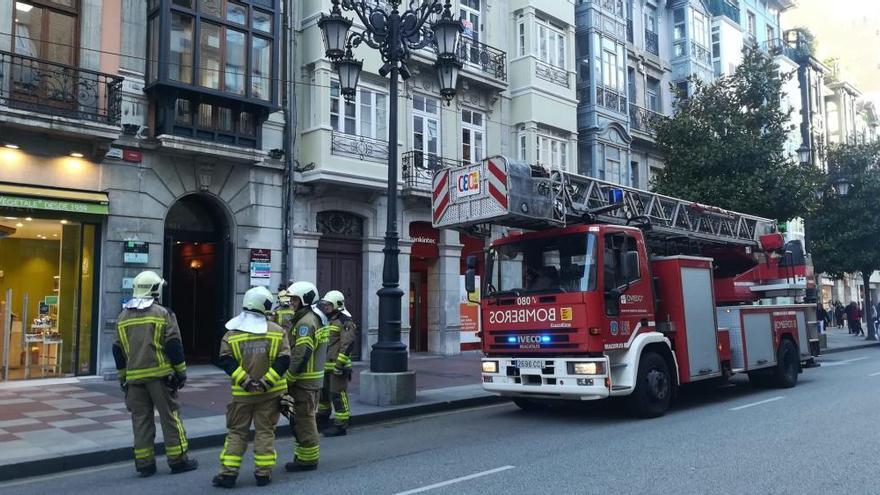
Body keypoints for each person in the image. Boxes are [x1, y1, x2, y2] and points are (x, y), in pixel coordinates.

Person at [112, 270, 198, 477]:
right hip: (161, 378)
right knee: (170, 418)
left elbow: (118, 350)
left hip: (134, 379)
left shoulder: (122, 317)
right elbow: (173, 345)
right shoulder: (163, 313)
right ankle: (178, 460)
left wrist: (123, 378)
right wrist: (181, 372)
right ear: (155, 290)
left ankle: (144, 464)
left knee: (140, 421)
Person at [212, 287, 291, 489]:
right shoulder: (276, 331)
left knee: (237, 433)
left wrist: (245, 381)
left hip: (242, 396)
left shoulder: (231, 334)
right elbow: (284, 360)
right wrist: (266, 382)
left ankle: (228, 474)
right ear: (264, 305)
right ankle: (263, 473)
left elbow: (225, 361)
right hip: (270, 394)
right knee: (265, 431)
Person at [283, 281, 328, 472]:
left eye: (294, 299)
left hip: (304, 381)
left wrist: (289, 378)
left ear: (304, 299)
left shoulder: (305, 323)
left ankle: (307, 460)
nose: (291, 303)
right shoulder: (310, 318)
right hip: (309, 380)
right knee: (301, 418)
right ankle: (303, 455)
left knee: (304, 419)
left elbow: (301, 354)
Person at [316, 290, 357, 437]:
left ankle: (341, 425)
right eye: (325, 304)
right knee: (324, 395)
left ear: (337, 305)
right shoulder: (327, 320)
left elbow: (347, 344)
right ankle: (322, 420)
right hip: (326, 366)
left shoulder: (345, 321)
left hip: (338, 367)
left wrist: (339, 365)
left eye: (328, 305)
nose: (325, 307)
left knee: (338, 395)